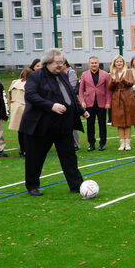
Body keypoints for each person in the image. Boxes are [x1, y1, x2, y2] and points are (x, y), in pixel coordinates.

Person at [20, 49, 89, 196]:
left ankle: (76, 185)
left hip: (62, 125)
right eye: (57, 63)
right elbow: (31, 95)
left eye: (62, 62)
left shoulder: (62, 75)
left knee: (69, 156)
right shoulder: (36, 76)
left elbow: (70, 95)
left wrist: (81, 111)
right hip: (41, 125)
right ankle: (32, 186)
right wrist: (51, 106)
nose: (61, 65)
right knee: (35, 157)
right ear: (48, 62)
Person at [108, 55, 135, 151]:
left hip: (127, 97)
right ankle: (122, 143)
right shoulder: (112, 73)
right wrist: (113, 80)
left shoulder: (129, 71)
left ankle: (128, 143)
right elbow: (110, 87)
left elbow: (131, 83)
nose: (119, 63)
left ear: (124, 63)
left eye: (120, 61)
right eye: (117, 62)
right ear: (114, 63)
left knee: (128, 122)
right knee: (119, 122)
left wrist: (124, 80)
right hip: (117, 98)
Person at [78, 56, 111, 151]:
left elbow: (108, 91)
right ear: (89, 64)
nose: (94, 64)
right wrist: (82, 101)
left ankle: (102, 143)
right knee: (90, 124)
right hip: (89, 103)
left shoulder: (105, 74)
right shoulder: (84, 74)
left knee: (102, 124)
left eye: (95, 63)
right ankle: (91, 144)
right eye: (92, 63)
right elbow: (80, 91)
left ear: (98, 63)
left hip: (102, 103)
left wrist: (108, 102)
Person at [8, 67, 31, 156]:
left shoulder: (14, 82)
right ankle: (26, 150)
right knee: (26, 131)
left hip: (15, 108)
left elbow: (9, 96)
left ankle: (22, 150)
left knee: (20, 131)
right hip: (24, 107)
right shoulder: (29, 84)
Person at [63, 60, 81, 150]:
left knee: (72, 124)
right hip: (61, 102)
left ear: (65, 64)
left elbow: (72, 86)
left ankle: (75, 143)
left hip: (70, 101)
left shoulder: (71, 72)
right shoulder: (59, 73)